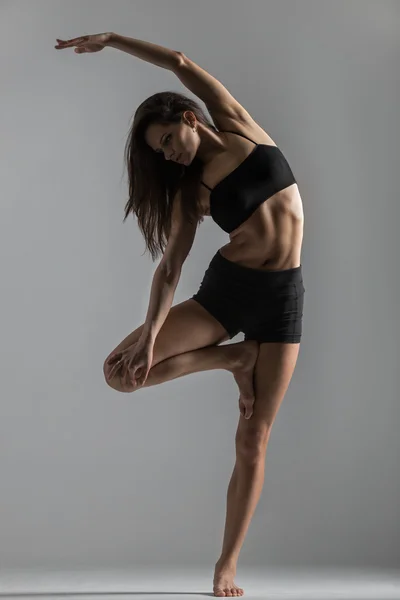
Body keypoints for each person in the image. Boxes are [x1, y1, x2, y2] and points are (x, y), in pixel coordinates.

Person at [55, 32, 305, 598]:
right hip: (227, 293)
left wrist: (113, 40)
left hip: (283, 297)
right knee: (120, 371)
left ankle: (227, 566)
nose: (169, 153)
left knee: (253, 439)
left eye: (168, 138)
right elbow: (169, 269)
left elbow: (179, 61)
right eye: (160, 150)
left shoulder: (239, 124)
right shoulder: (190, 193)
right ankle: (232, 359)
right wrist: (147, 335)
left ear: (191, 118)